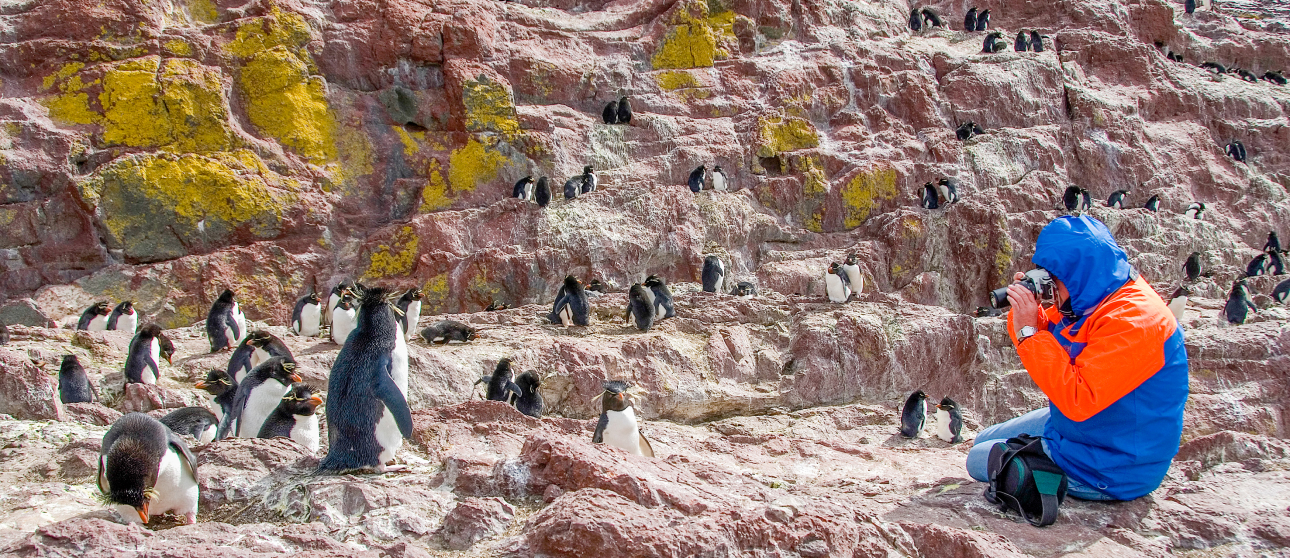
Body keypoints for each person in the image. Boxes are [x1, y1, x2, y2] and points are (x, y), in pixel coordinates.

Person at [966, 215, 1189, 501]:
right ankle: (1045, 450)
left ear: (1077, 273)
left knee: (976, 459)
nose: (1049, 284)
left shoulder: (1133, 322)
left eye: (1054, 278)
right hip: (1095, 430)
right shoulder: (1097, 292)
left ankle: (1063, 474)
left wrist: (1027, 330)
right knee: (983, 439)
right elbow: (1043, 331)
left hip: (1114, 463)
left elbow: (1078, 398)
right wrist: (1027, 313)